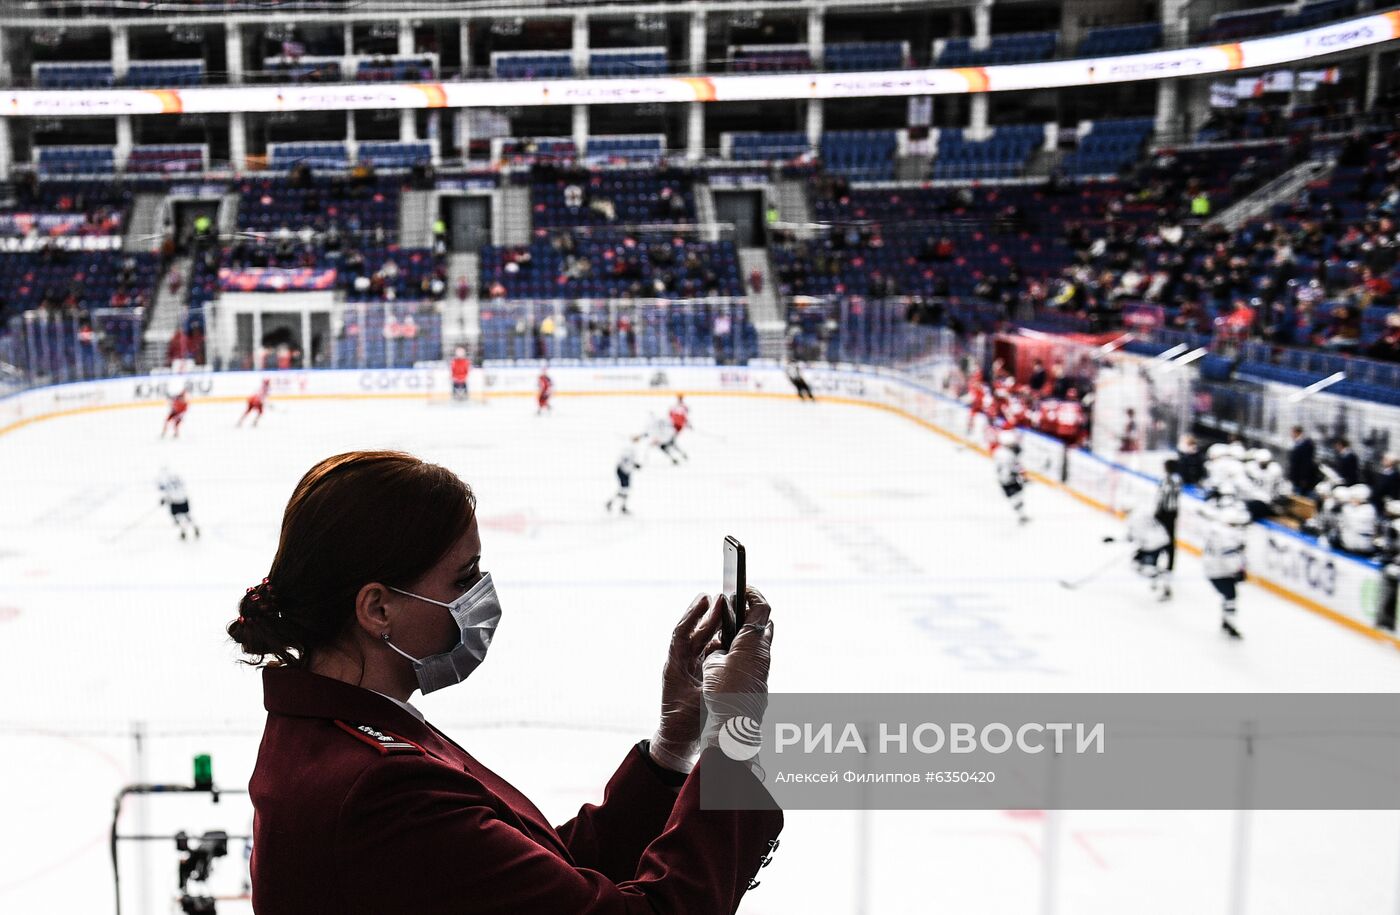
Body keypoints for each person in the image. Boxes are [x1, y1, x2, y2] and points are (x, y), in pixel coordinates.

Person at [232, 451, 781, 913]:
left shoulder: (344, 733)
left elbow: (530, 885)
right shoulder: (378, 787)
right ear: (377, 608)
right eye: (464, 577)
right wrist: (732, 741)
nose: (482, 595)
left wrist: (672, 745)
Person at [1201, 484, 1250, 640]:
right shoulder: (1228, 535)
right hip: (1221, 570)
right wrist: (1238, 570)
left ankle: (1226, 621)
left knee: (1228, 596)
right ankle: (1230, 624)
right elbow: (1230, 557)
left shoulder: (1215, 528)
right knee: (1231, 596)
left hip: (1211, 567)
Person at [1125, 501, 1172, 601]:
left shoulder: (1133, 519)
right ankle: (1158, 581)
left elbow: (1134, 537)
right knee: (1139, 563)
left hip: (1153, 544)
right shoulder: (1142, 512)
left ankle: (1164, 585)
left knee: (1143, 567)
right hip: (1161, 538)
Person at [1154, 458, 1183, 590]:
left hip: (1166, 514)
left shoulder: (1170, 480)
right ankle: (1165, 567)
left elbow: (1162, 496)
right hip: (1170, 514)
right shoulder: (1175, 479)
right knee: (1167, 542)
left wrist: (1157, 512)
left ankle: (1163, 566)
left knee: (1163, 541)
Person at [993, 430, 1029, 524]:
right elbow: (1012, 467)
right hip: (1007, 479)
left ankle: (1021, 514)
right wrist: (1019, 474)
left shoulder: (1000, 451)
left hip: (1005, 478)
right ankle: (1021, 516)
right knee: (1015, 497)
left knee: (1017, 495)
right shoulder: (1006, 454)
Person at [158, 467, 200, 541]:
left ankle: (188, 529)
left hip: (178, 501)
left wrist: (164, 499)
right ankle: (188, 529)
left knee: (181, 517)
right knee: (183, 516)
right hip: (181, 500)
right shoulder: (176, 480)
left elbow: (168, 492)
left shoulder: (168, 482)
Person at [606, 435, 645, 514]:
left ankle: (620, 505)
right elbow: (625, 460)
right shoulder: (629, 448)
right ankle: (614, 504)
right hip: (623, 470)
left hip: (626, 470)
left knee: (626, 489)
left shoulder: (633, 448)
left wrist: (634, 465)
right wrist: (634, 465)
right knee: (624, 489)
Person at [1338, 484, 1379, 557]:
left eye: (1353, 497)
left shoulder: (1368, 509)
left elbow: (1354, 525)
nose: (1351, 500)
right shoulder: (1349, 507)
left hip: (1361, 548)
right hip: (1347, 546)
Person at [1287, 426, 1319, 497]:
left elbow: (1306, 463)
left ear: (1297, 432)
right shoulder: (1298, 444)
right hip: (1296, 478)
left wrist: (1304, 478)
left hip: (1301, 479)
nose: (1291, 435)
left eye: (1292, 433)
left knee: (1300, 497)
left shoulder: (1306, 444)